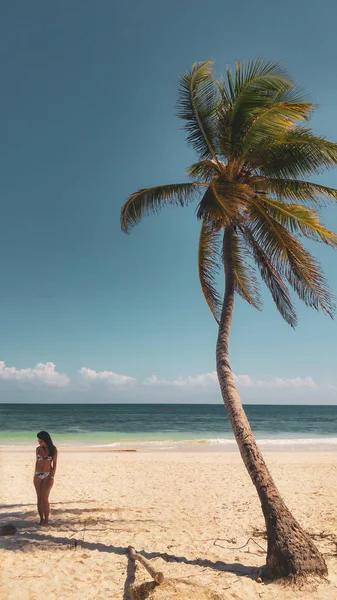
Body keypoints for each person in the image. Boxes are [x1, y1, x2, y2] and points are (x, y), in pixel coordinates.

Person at [33, 431, 58, 525]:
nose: (39, 443)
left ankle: (46, 520)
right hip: (37, 475)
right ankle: (41, 519)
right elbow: (37, 462)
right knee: (39, 498)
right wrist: (35, 474)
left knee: (44, 498)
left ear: (46, 440)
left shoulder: (53, 450)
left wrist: (52, 476)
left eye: (41, 441)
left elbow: (54, 465)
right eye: (38, 441)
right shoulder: (38, 449)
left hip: (48, 475)